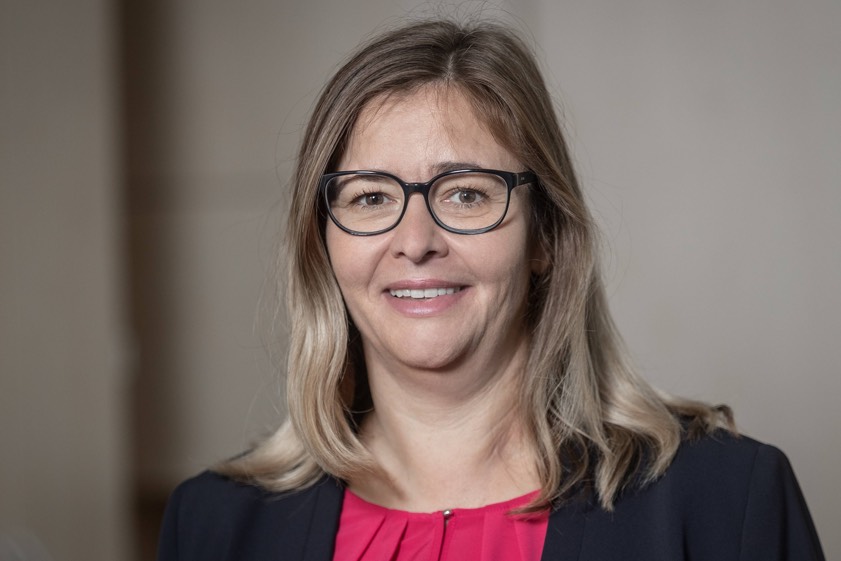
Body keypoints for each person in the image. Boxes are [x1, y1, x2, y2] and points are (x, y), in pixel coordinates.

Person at [157, 19, 824, 561]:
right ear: (322, 245)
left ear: (544, 236)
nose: (415, 240)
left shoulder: (725, 500)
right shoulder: (214, 525)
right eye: (370, 197)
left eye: (467, 193)